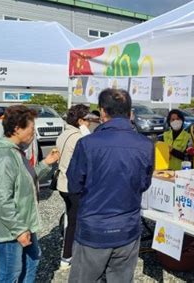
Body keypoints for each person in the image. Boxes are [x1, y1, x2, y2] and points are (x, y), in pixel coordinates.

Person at [67, 89, 154, 283]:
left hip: (93, 229)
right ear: (130, 113)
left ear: (102, 112)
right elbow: (144, 183)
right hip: (128, 227)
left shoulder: (87, 144)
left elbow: (73, 185)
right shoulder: (145, 144)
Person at [0, 105, 60, 283]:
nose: (34, 134)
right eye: (31, 129)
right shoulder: (3, 157)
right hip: (10, 229)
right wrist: (19, 230)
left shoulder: (16, 153)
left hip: (25, 223)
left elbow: (26, 180)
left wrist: (47, 163)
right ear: (17, 129)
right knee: (10, 273)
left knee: (32, 260)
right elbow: (0, 199)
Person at [55, 104, 94, 270]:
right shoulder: (79, 138)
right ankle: (74, 256)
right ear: (80, 121)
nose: (91, 123)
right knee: (78, 222)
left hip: (62, 183)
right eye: (88, 120)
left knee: (71, 221)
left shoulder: (63, 133)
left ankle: (67, 256)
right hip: (73, 185)